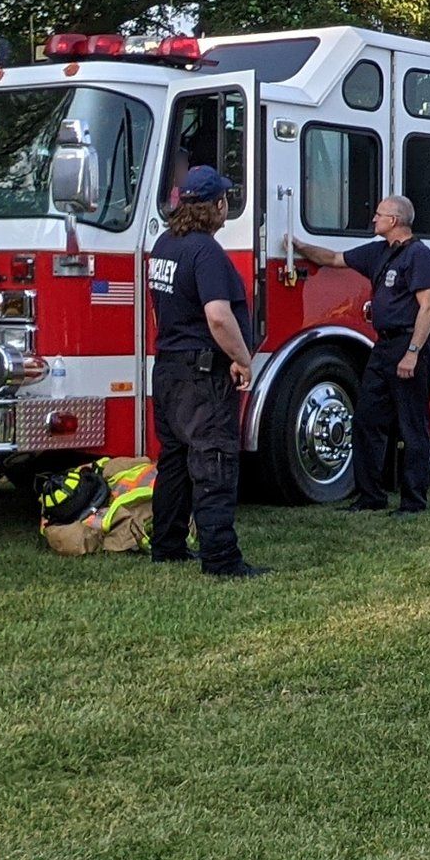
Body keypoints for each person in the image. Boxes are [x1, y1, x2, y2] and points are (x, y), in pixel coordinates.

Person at [145, 167, 260, 578]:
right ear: (216, 206)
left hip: (170, 371)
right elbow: (217, 316)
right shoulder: (205, 251)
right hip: (201, 375)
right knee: (213, 461)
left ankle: (168, 545)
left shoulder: (164, 245)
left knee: (174, 462)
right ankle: (222, 559)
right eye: (224, 199)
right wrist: (243, 358)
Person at [292, 196, 430, 515]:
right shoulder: (378, 253)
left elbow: (428, 307)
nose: (374, 219)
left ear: (395, 221)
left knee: (412, 425)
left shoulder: (420, 256)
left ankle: (414, 501)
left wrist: (412, 352)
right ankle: (370, 495)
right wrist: (296, 244)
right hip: (384, 347)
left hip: (410, 344)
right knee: (367, 419)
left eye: (379, 215)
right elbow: (332, 258)